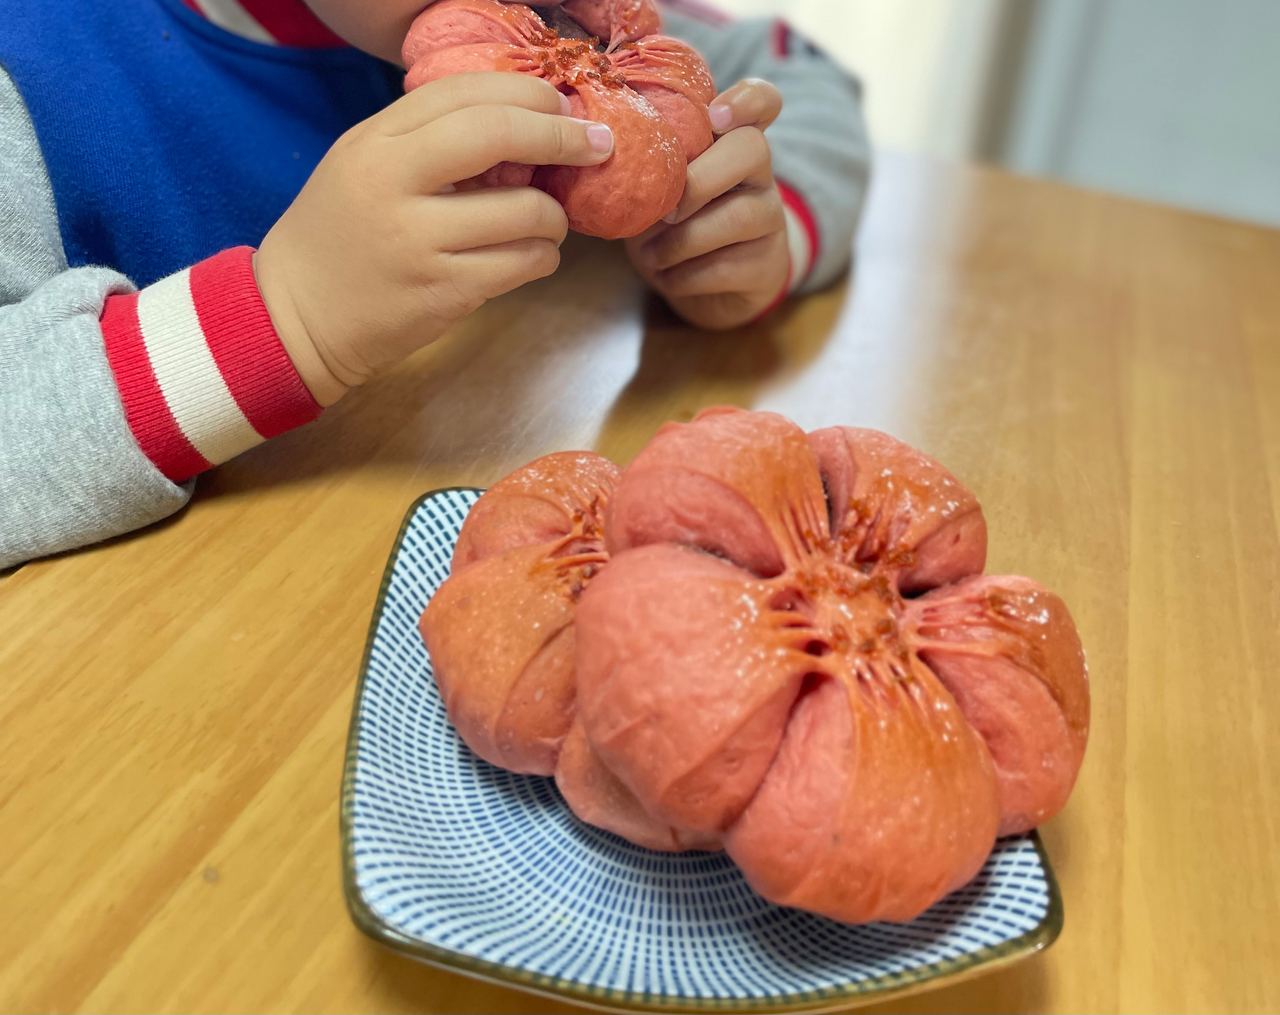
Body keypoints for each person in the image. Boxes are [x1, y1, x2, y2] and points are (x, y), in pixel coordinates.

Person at [0, 0, 870, 569]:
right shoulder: (32, 69)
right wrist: (283, 317)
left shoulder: (548, 15)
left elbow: (791, 62)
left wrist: (757, 227)